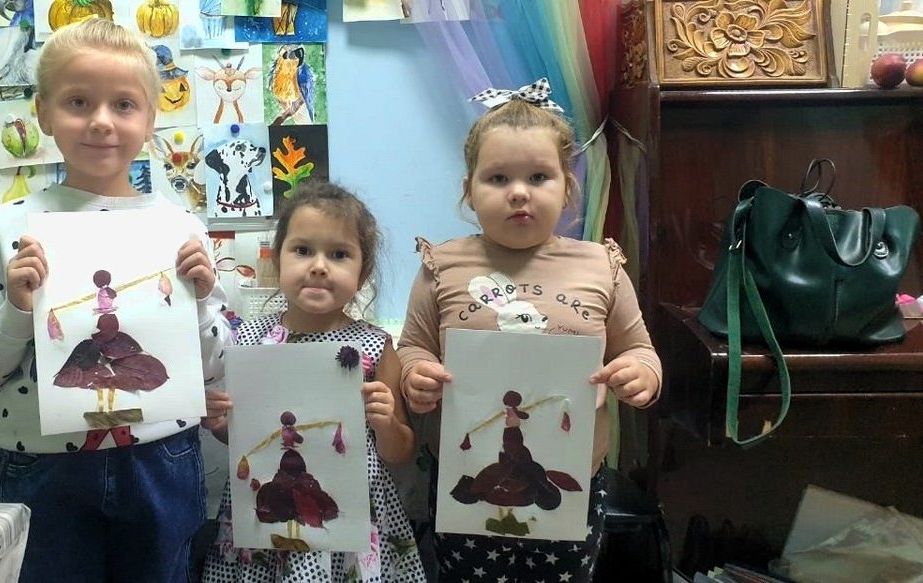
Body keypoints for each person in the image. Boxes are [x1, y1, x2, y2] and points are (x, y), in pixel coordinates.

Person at [0, 17, 230, 583]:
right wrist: (16, 312)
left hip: (160, 455)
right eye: (78, 102)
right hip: (45, 464)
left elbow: (214, 365)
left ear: (150, 120)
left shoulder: (180, 228)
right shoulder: (12, 225)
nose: (102, 121)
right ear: (43, 114)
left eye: (123, 105)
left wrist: (200, 303)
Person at [397, 79, 663, 582]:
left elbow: (640, 350)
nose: (519, 192)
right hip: (466, 472)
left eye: (539, 176)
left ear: (568, 188)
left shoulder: (600, 265)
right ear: (469, 191)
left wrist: (639, 375)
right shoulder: (443, 265)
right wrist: (417, 375)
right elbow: (413, 347)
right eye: (497, 178)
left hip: (574, 476)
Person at [200, 181, 428, 582]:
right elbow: (244, 439)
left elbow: (400, 452)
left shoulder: (374, 347)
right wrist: (221, 425)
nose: (319, 266)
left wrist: (386, 423)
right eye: (303, 250)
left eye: (339, 254)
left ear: (363, 272)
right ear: (277, 259)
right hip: (263, 523)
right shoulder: (247, 341)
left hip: (347, 523)